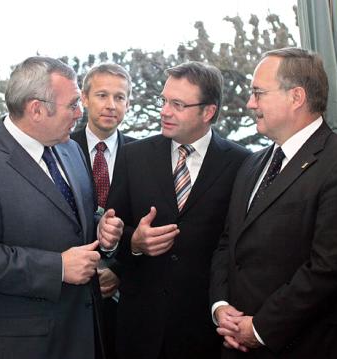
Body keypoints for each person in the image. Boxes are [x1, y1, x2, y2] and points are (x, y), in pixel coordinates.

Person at [0, 56, 124, 359]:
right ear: (36, 109)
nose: (80, 113)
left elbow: (72, 215)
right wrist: (57, 267)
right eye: (72, 105)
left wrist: (101, 228)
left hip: (81, 335)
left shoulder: (69, 149)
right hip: (20, 345)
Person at [210, 47, 337, 359]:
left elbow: (328, 267)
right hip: (234, 342)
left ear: (296, 97)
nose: (250, 103)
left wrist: (260, 328)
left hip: (303, 345)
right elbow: (228, 243)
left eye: (258, 93)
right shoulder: (251, 164)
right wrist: (221, 308)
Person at [106, 61, 250, 359]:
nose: (164, 111)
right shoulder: (134, 156)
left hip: (204, 331)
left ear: (208, 112)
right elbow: (111, 231)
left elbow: (239, 246)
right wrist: (133, 243)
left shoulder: (241, 163)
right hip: (139, 328)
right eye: (164, 101)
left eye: (178, 104)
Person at [71, 63, 135, 359]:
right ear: (83, 98)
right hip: (70, 295)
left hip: (126, 299)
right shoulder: (61, 150)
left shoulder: (142, 155)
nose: (111, 105)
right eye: (102, 95)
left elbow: (145, 225)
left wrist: (117, 270)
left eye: (120, 97)